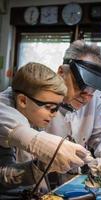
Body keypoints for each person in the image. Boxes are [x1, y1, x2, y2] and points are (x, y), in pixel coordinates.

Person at [0, 41, 101, 184]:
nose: (87, 97)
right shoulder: (32, 91)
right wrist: (36, 141)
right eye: (80, 85)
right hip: (29, 184)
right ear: (61, 72)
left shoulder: (94, 101)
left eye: (93, 90)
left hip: (71, 183)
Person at [0, 62, 93, 196]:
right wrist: (37, 158)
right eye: (49, 107)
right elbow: (4, 178)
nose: (54, 114)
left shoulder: (31, 111)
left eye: (57, 107)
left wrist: (41, 166)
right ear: (23, 101)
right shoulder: (6, 111)